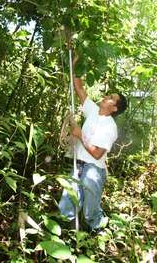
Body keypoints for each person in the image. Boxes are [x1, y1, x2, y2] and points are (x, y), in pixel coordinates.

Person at [59, 58, 127, 232]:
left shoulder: (110, 127)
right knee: (68, 200)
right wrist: (75, 63)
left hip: (94, 169)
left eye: (111, 98)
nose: (106, 97)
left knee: (91, 210)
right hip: (79, 163)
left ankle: (101, 232)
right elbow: (79, 87)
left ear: (114, 109)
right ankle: (65, 233)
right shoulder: (92, 110)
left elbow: (97, 154)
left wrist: (80, 134)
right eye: (109, 95)